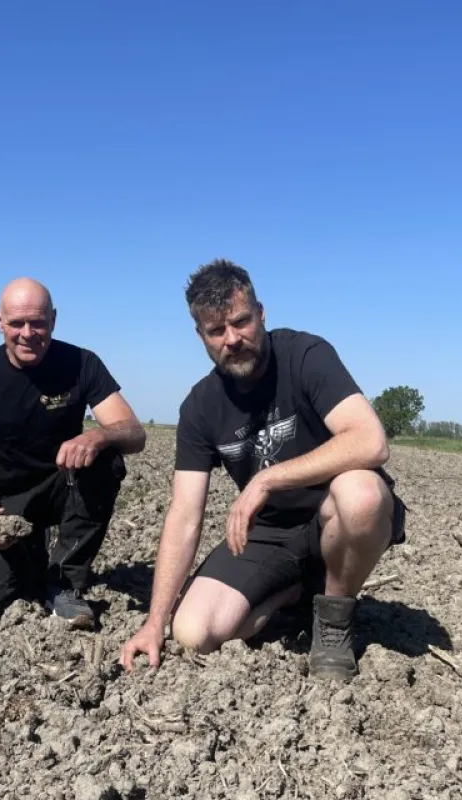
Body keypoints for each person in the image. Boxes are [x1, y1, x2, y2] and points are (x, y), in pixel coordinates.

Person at [119, 260, 406, 680]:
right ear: (200, 336)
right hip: (270, 535)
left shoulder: (306, 355)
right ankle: (295, 590)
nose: (233, 339)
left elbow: (370, 440)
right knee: (194, 632)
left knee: (361, 493)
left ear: (261, 313)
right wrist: (153, 622)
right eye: (217, 331)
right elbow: (184, 513)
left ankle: (332, 620)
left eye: (241, 321)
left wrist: (266, 478)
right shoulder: (200, 407)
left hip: (333, 512)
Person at [0, 277, 146, 628]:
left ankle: (64, 583)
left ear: (53, 319)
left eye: (38, 322)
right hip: (7, 501)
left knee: (106, 458)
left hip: (64, 486)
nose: (28, 333)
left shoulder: (81, 363)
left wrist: (96, 436)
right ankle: (21, 548)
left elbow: (134, 433)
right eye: (16, 323)